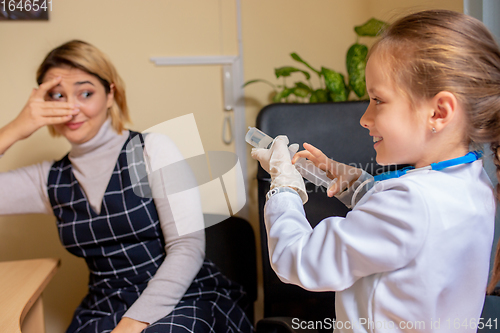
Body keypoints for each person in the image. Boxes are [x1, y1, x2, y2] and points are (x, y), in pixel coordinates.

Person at [252, 9, 499, 333]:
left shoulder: (409, 206)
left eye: (378, 100)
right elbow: (413, 231)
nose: (364, 118)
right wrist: (357, 186)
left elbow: (297, 259)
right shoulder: (475, 181)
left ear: (439, 112)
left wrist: (283, 187)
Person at [0, 40, 253, 333]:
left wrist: (132, 325)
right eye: (57, 96)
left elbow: (187, 248)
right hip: (105, 307)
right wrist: (14, 129)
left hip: (181, 298)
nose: (71, 108)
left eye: (85, 93)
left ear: (110, 94)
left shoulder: (152, 149)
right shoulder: (47, 180)